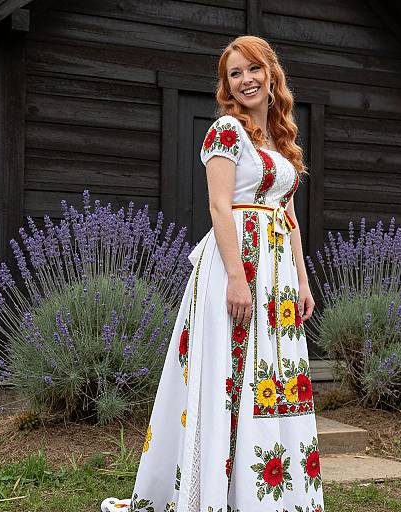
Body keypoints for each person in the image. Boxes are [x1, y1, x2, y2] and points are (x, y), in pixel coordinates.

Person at [101, 34, 324, 512]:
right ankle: (219, 494)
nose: (246, 80)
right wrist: (239, 277)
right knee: (233, 373)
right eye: (234, 74)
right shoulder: (227, 131)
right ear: (227, 86)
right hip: (235, 269)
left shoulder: (280, 140)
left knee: (273, 375)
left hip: (278, 276)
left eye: (253, 70)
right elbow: (220, 206)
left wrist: (303, 281)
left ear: (271, 75)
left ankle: (271, 492)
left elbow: (288, 216)